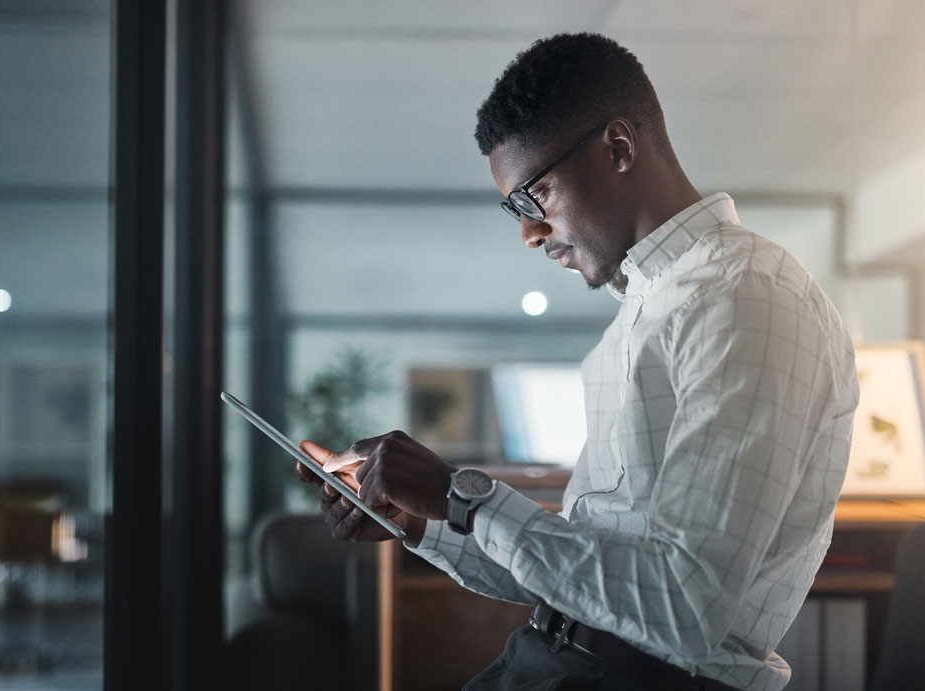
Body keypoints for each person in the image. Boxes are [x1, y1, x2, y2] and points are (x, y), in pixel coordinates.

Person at [297, 32, 858, 691]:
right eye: (515, 210)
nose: (529, 233)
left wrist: (462, 495)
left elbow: (684, 604)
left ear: (618, 147)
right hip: (563, 660)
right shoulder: (644, 317)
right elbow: (590, 576)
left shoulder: (748, 299)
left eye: (533, 198)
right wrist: (423, 517)